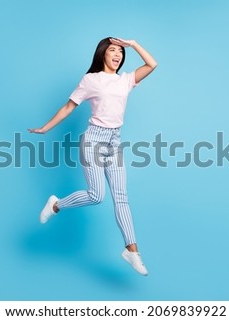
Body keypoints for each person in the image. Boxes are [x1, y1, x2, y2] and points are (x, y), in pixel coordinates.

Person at [28, 37, 157, 276]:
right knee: (97, 195)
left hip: (114, 142)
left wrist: (134, 43)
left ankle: (132, 250)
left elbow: (151, 64)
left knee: (121, 197)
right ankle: (56, 204)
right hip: (93, 141)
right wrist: (46, 128)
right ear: (102, 55)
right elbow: (69, 106)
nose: (117, 54)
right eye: (112, 50)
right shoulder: (91, 80)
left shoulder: (126, 80)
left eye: (120, 51)